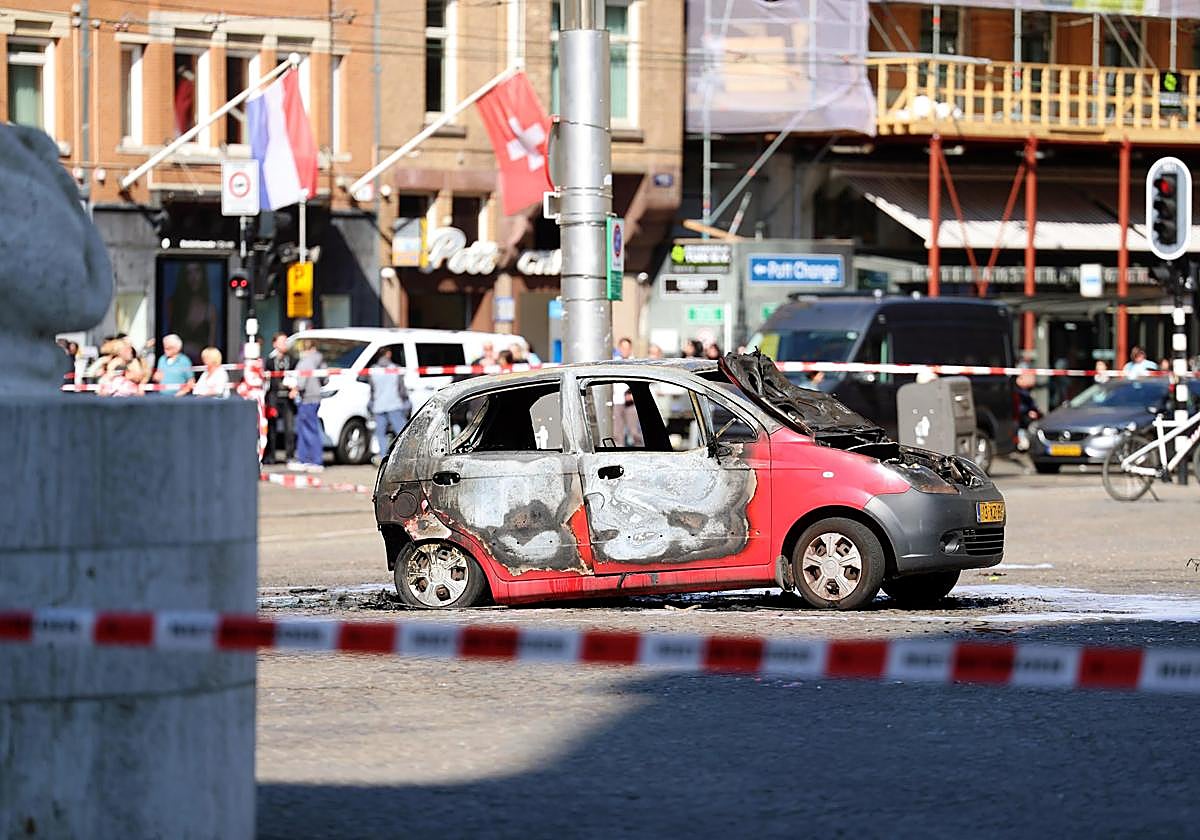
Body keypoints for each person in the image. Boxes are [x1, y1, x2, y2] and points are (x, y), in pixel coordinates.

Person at [364, 347, 412, 465]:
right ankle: (407, 456)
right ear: (388, 354)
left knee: (381, 434)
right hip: (394, 404)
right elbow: (401, 389)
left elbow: (373, 390)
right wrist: (407, 402)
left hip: (379, 406)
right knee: (402, 432)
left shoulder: (373, 370)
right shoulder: (395, 369)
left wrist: (371, 405)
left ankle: (383, 458)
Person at [290, 340, 326, 473]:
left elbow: (301, 381)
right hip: (316, 397)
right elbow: (325, 379)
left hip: (306, 398)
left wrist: (295, 388)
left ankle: (312, 460)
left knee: (307, 430)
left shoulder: (305, 362)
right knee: (311, 428)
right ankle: (306, 459)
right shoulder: (320, 361)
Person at [264, 333, 296, 465]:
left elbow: (297, 376)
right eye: (281, 341)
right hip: (274, 397)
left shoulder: (293, 360)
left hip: (287, 397)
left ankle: (290, 455)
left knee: (289, 428)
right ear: (275, 344)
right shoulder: (269, 361)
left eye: (285, 341)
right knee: (272, 427)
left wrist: (294, 388)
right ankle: (271, 455)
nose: (284, 344)